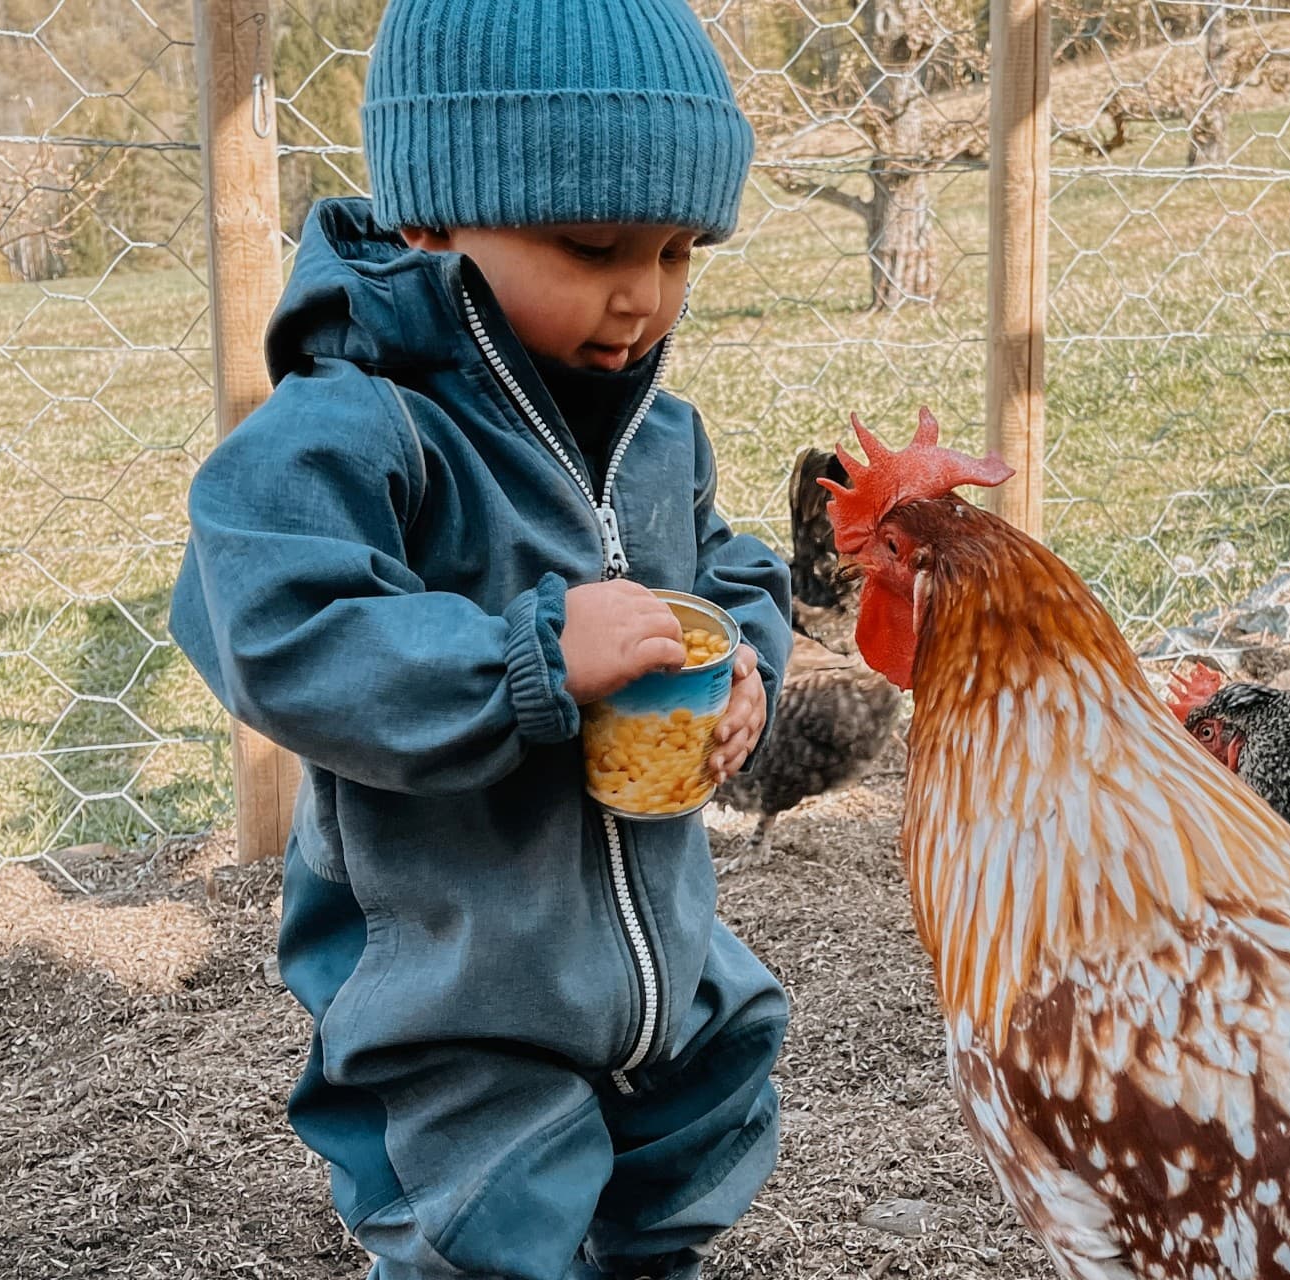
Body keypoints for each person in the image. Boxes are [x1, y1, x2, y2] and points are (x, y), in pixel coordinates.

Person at [170, 1, 793, 1275]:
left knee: (706, 1135)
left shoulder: (655, 433)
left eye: (681, 252)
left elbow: (732, 566)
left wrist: (743, 658)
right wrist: (529, 660)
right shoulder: (363, 427)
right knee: (489, 1229)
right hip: (452, 984)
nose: (644, 294)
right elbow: (268, 615)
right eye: (592, 244)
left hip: (657, 958)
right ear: (433, 221)